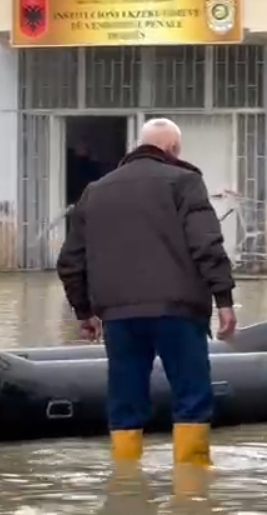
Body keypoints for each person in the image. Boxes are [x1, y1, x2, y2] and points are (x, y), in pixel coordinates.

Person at [56, 117, 237, 468]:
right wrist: (224, 300)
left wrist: (84, 312)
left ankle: (125, 483)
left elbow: (70, 261)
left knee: (124, 399)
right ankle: (192, 492)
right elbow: (207, 245)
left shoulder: (96, 190)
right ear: (172, 149)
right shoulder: (185, 181)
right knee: (192, 397)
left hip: (119, 316)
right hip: (179, 312)